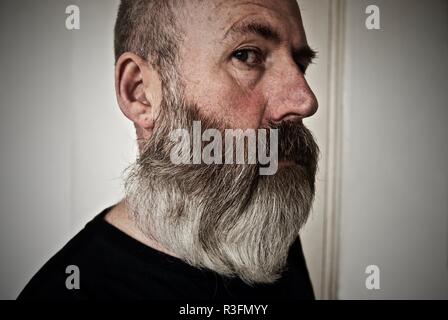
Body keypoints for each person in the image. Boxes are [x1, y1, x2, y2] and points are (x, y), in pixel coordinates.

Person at [18, 0, 319, 300]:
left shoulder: (263, 223)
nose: (305, 100)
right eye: (247, 55)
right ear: (140, 93)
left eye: (300, 64)